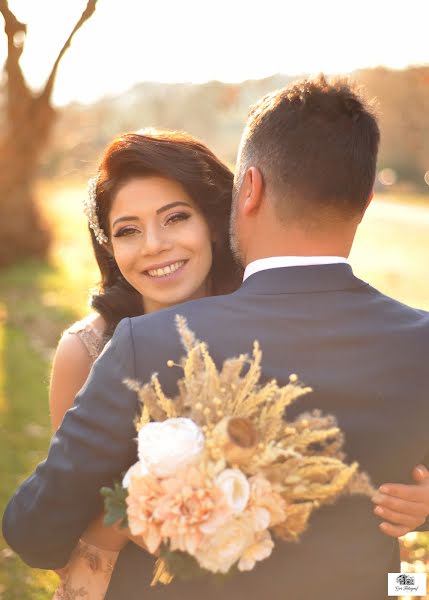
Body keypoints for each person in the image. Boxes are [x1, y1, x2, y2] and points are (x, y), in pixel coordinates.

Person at [3, 77, 429, 600]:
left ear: (245, 191)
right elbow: (403, 572)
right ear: (366, 200)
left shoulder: (146, 345)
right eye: (128, 230)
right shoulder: (419, 341)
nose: (155, 246)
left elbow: (35, 533)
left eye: (175, 218)